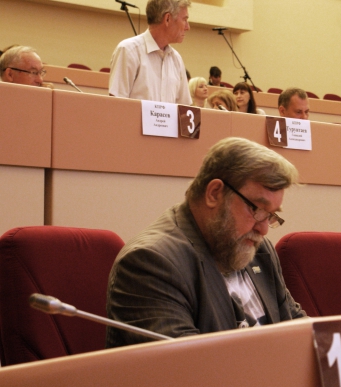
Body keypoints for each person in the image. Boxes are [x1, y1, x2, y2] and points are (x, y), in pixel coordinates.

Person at [106, 137, 307, 347]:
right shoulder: (151, 264)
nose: (263, 229)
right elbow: (188, 363)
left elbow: (297, 325)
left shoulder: (257, 249)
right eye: (256, 209)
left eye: (270, 215)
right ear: (214, 193)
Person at [108, 0, 192, 105]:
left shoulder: (177, 59)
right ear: (167, 19)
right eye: (184, 20)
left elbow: (184, 108)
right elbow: (116, 105)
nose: (187, 27)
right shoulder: (128, 51)